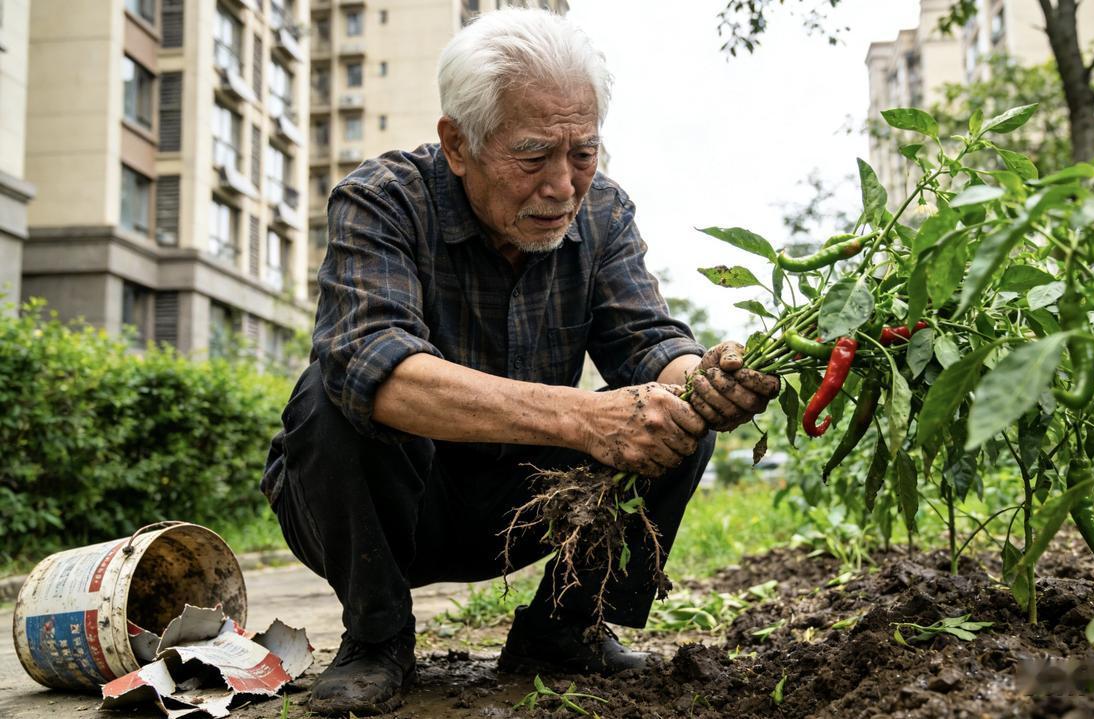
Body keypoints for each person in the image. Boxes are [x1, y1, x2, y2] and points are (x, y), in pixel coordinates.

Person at [261, 8, 778, 716]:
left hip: (522, 507)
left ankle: (563, 629)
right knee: (327, 394)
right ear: (459, 143)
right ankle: (377, 635)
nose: (563, 186)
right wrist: (585, 416)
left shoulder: (602, 216)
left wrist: (706, 379)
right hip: (389, 512)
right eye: (533, 157)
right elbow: (371, 361)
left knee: (671, 413)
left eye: (584, 154)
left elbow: (650, 344)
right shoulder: (382, 201)